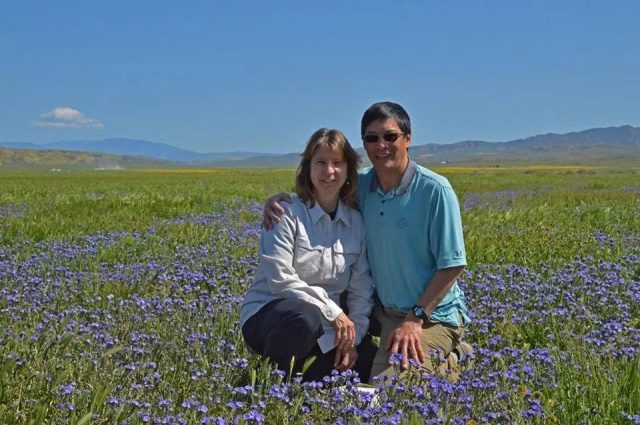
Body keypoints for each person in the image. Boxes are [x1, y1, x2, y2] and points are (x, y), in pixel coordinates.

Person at [264, 102, 472, 383]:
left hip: (430, 315)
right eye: (372, 138)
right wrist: (280, 201)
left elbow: (452, 265)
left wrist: (415, 319)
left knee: (392, 391)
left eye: (390, 136)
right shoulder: (362, 185)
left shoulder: (435, 190)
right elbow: (324, 184)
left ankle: (455, 355)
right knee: (359, 371)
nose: (381, 145)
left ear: (407, 139)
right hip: (383, 311)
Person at [240, 128, 375, 382]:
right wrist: (332, 311)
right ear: (308, 168)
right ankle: (270, 384)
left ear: (348, 171)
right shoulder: (285, 213)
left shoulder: (355, 222)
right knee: (304, 318)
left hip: (329, 326)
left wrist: (352, 339)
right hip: (273, 315)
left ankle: (303, 380)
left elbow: (361, 288)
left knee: (368, 359)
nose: (329, 171)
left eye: (337, 163)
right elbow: (280, 279)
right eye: (320, 163)